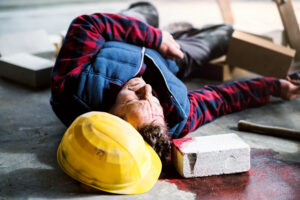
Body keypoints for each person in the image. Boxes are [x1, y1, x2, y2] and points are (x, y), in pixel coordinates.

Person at [50, 2, 300, 161]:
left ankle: (167, 29)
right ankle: (172, 30)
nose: (147, 88)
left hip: (137, 44)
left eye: (137, 98)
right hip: (165, 57)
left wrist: (157, 39)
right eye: (153, 101)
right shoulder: (177, 118)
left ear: (114, 119)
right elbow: (223, 99)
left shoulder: (70, 90)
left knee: (152, 11)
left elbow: (90, 25)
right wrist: (275, 86)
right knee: (219, 31)